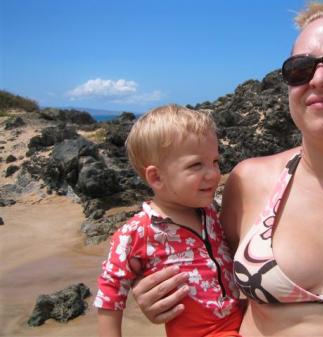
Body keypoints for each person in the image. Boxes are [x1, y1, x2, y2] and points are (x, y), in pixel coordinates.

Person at [130, 3, 323, 337]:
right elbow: (211, 281)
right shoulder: (249, 180)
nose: (320, 78)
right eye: (301, 68)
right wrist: (159, 295)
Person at [94, 104, 243, 337]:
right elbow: (110, 293)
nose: (214, 174)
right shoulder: (136, 232)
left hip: (241, 323)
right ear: (156, 177)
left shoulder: (210, 213)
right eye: (196, 165)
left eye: (215, 161)